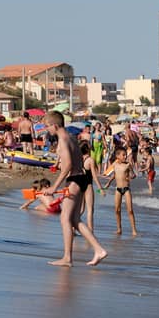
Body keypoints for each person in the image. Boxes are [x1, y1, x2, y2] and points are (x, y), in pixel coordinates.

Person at [42, 111, 108, 266]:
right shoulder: (71, 137)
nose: (47, 130)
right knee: (75, 219)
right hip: (82, 179)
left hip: (74, 180)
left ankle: (67, 258)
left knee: (65, 219)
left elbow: (68, 166)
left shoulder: (63, 140)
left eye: (47, 126)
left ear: (55, 125)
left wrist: (54, 187)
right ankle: (99, 250)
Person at [103, 148, 138, 236]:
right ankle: (119, 229)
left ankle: (134, 230)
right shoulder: (114, 164)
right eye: (123, 155)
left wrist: (130, 177)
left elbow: (133, 175)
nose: (125, 156)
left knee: (130, 210)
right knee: (117, 210)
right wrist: (108, 183)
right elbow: (114, 175)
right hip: (118, 189)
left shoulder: (128, 165)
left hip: (126, 189)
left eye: (125, 154)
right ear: (117, 156)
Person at [79, 140, 105, 232]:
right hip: (88, 185)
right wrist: (100, 188)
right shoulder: (90, 160)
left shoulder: (79, 159)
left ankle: (73, 227)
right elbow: (94, 176)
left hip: (79, 184)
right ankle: (90, 230)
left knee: (81, 209)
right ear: (88, 149)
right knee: (90, 210)